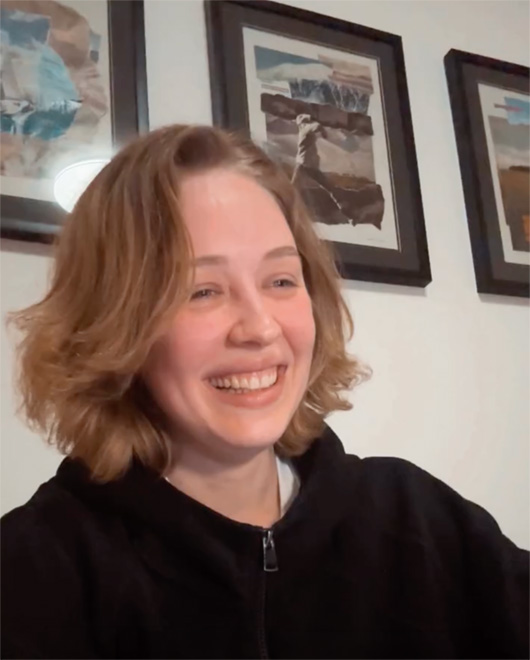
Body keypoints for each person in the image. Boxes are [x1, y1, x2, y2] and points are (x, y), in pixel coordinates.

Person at [1, 124, 528, 660]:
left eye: (280, 281)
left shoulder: (418, 519)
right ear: (115, 324)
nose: (260, 327)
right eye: (201, 290)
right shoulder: (33, 572)